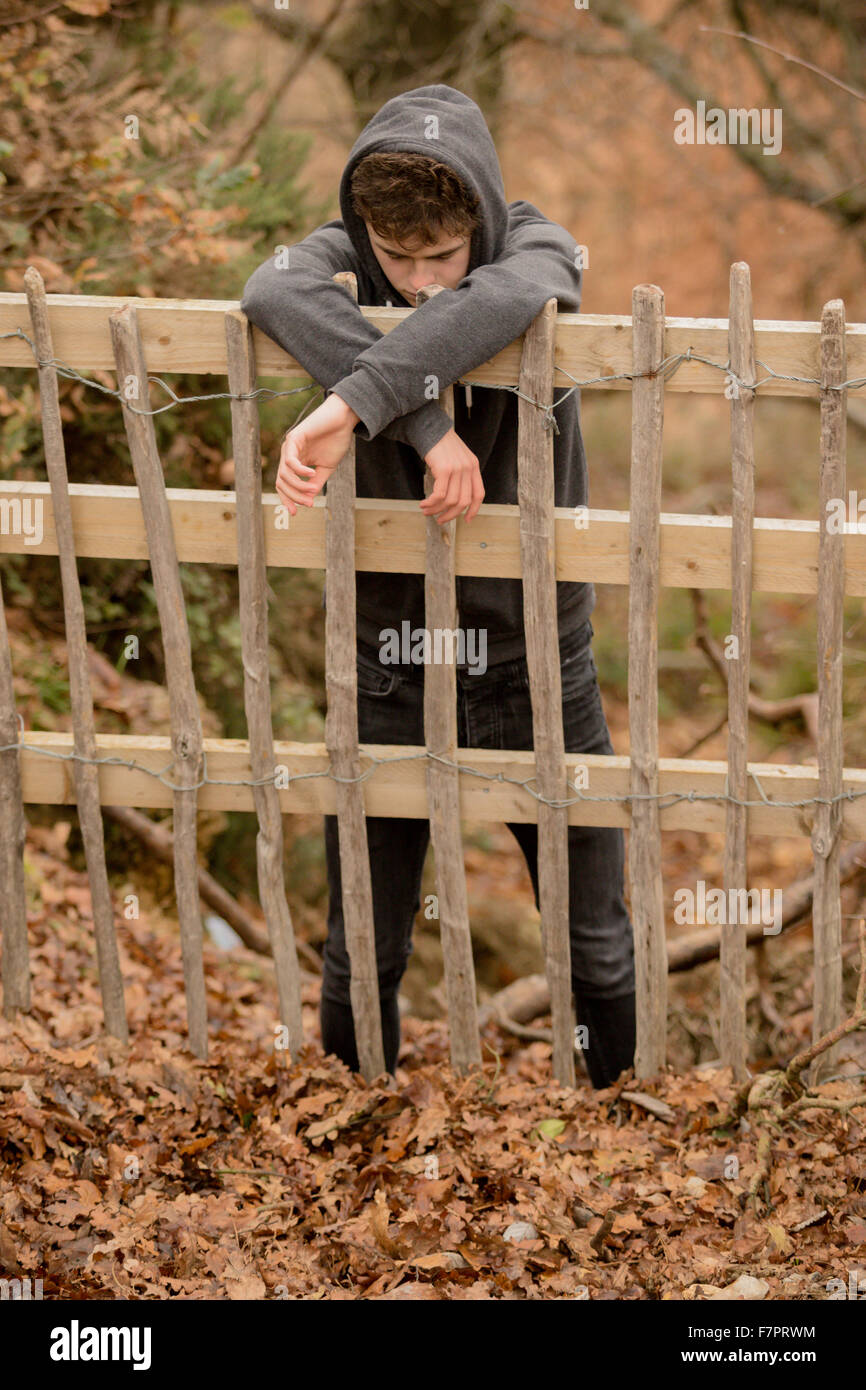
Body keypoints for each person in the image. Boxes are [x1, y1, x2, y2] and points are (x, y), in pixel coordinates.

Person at [240, 84, 636, 1088]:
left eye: (440, 260)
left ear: (482, 223)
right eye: (396, 259)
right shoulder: (335, 258)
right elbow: (272, 290)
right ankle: (347, 1117)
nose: (416, 285)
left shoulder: (534, 247)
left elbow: (515, 293)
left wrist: (351, 403)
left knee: (592, 936)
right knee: (362, 944)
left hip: (534, 659)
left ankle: (614, 1115)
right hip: (388, 657)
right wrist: (422, 422)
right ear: (366, 230)